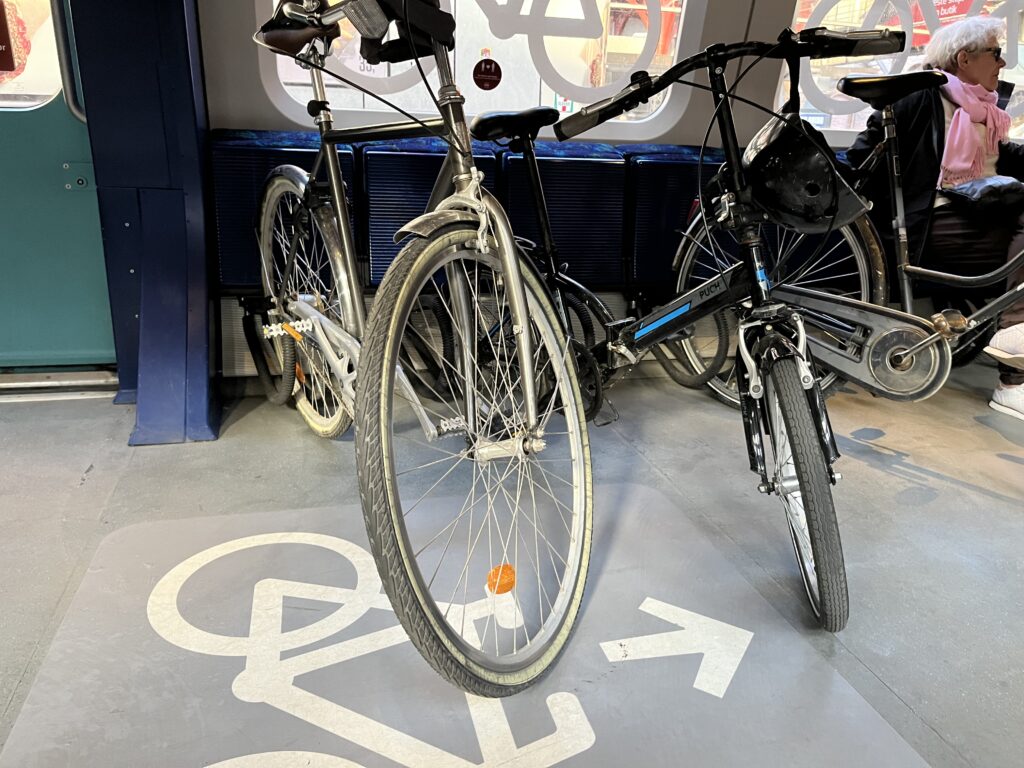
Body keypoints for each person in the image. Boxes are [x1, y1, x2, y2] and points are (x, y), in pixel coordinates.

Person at [846, 15, 1024, 422]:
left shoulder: (985, 110)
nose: (1003, 64)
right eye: (996, 54)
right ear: (964, 58)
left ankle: (1015, 336)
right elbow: (863, 158)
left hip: (986, 215)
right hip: (936, 223)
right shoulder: (918, 98)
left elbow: (1000, 159)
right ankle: (1013, 375)